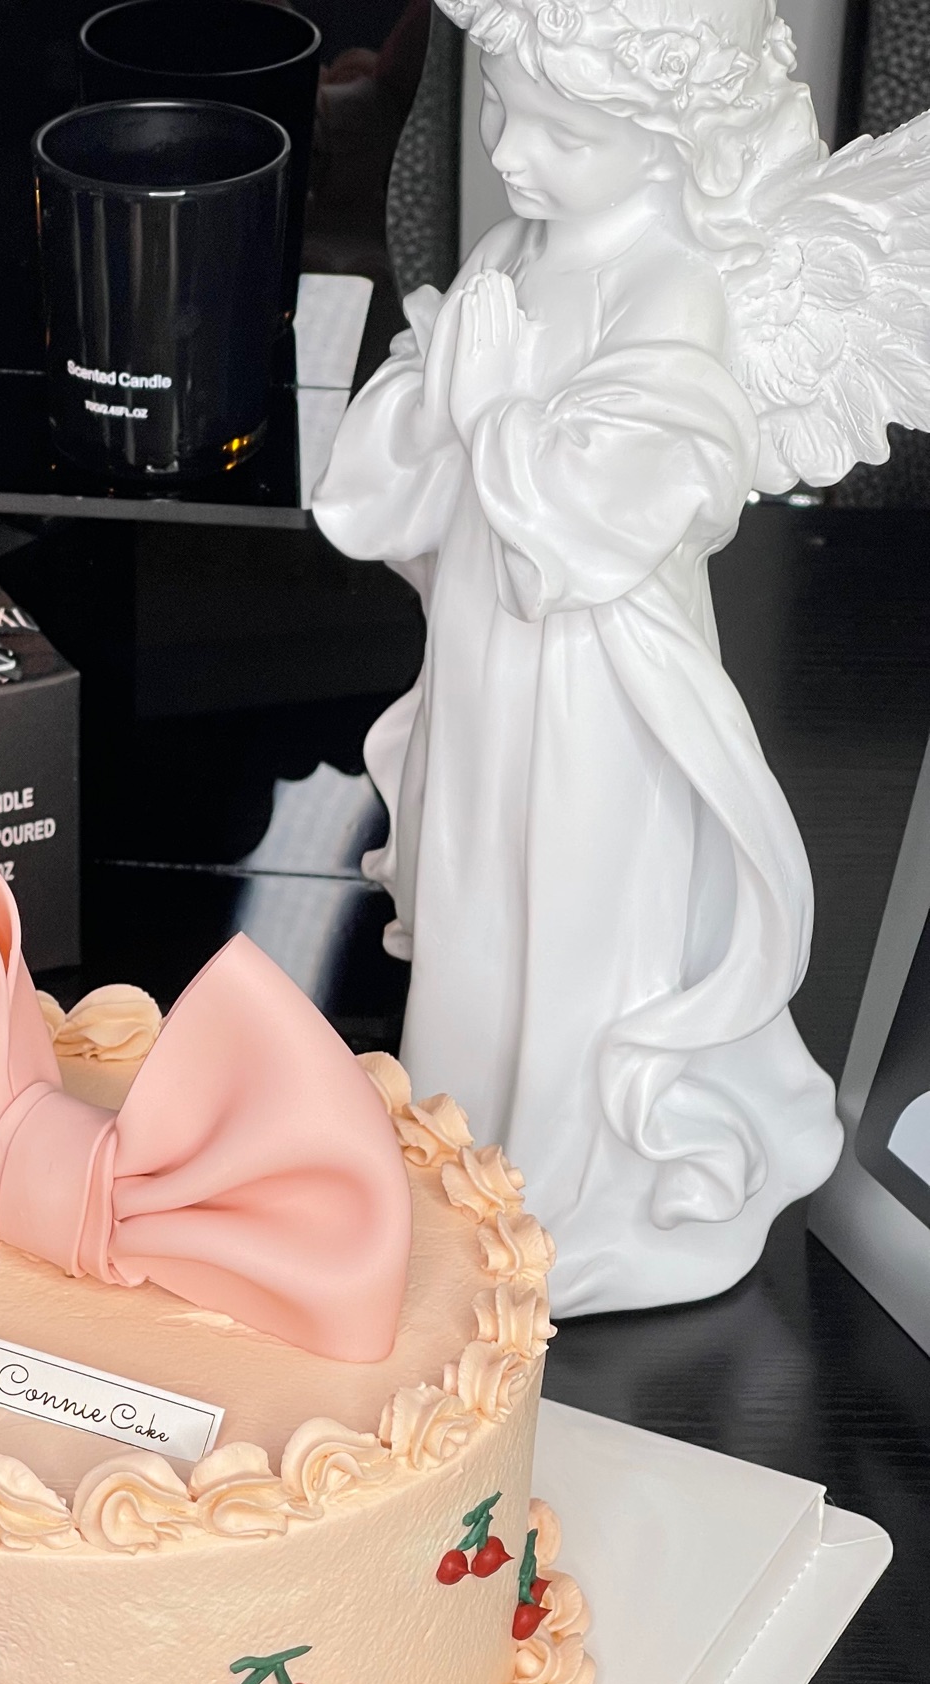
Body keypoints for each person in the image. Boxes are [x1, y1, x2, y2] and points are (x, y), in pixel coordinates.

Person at [313, 0, 930, 1314]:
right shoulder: (512, 253)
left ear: (666, 144)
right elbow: (408, 443)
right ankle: (469, 1149)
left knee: (578, 917)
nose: (512, 151)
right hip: (490, 657)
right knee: (481, 900)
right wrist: (435, 403)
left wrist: (491, 410)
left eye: (562, 133)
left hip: (596, 686)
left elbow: (640, 496)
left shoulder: (674, 289)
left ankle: (565, 1183)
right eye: (499, 107)